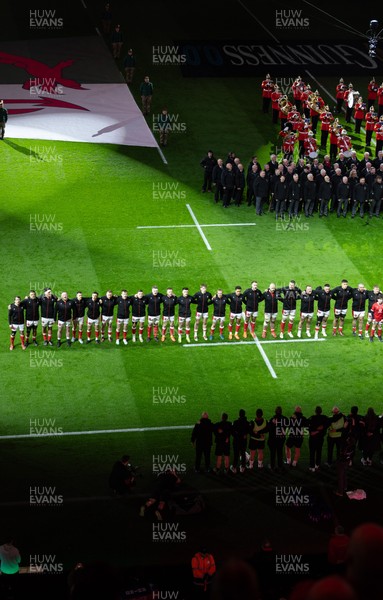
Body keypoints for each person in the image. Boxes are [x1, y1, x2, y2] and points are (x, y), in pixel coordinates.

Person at [335, 416, 357, 497]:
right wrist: (353, 423)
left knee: (340, 476)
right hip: (348, 460)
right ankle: (345, 487)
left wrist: (344, 427)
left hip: (342, 460)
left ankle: (340, 492)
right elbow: (352, 432)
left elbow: (343, 435)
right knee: (344, 473)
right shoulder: (353, 441)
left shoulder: (344, 442)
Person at [308, 406, 329, 471]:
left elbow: (309, 428)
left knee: (312, 453)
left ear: (315, 411)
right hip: (320, 439)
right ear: (321, 411)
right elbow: (328, 423)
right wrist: (322, 427)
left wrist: (315, 431)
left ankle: (312, 467)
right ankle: (317, 465)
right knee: (319, 452)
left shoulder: (312, 418)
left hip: (313, 439)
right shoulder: (325, 418)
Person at [267, 406, 287, 472]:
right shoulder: (285, 419)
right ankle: (280, 466)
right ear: (281, 412)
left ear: (275, 412)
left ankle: (272, 466)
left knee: (273, 453)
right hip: (281, 439)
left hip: (273, 440)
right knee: (280, 452)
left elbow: (268, 429)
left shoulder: (272, 419)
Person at [231, 409, 249, 473]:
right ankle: (243, 467)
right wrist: (245, 434)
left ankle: (234, 467)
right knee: (243, 453)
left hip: (236, 441)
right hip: (243, 441)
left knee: (236, 454)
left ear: (239, 414)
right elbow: (248, 430)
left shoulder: (235, 422)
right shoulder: (247, 422)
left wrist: (236, 436)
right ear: (244, 415)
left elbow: (232, 431)